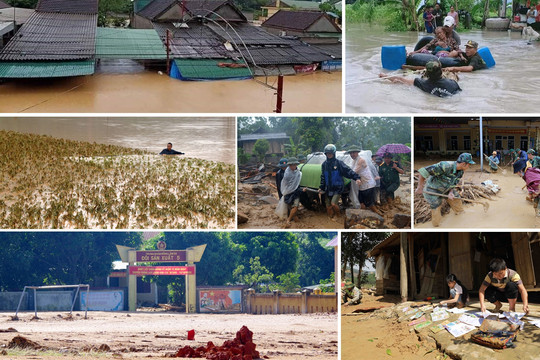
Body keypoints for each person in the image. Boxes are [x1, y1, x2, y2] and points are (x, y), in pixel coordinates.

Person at [415, 153, 475, 227]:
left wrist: (451, 192)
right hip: (433, 190)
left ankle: (460, 215)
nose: (469, 166)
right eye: (469, 164)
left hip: (446, 189)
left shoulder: (460, 172)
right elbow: (423, 172)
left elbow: (453, 183)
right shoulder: (445, 166)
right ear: (463, 164)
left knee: (456, 198)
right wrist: (419, 188)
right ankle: (436, 225)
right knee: (436, 206)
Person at [319, 144, 363, 219]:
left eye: (330, 153)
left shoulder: (339, 163)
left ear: (334, 153)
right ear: (325, 154)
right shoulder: (324, 165)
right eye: (327, 153)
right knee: (328, 206)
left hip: (337, 187)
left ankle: (338, 215)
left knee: (333, 204)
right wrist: (321, 187)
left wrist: (356, 178)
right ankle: (330, 217)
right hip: (328, 188)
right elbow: (323, 176)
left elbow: (348, 171)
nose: (329, 155)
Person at [379, 60, 461, 97]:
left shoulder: (422, 83)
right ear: (441, 71)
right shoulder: (453, 83)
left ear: (427, 73)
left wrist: (385, 76)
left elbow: (401, 80)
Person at [348, 146, 381, 215]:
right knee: (361, 202)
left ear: (357, 153)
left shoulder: (361, 160)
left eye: (354, 153)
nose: (352, 155)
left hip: (368, 184)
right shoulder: (354, 161)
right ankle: (364, 216)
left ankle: (379, 215)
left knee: (369, 203)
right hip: (361, 185)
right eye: (351, 153)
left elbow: (354, 171)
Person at [513, 159, 540, 225]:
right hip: (537, 193)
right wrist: (531, 193)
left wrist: (535, 193)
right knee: (536, 206)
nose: (518, 175)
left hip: (538, 191)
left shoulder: (529, 174)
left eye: (517, 173)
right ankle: (537, 219)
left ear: (521, 170)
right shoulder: (526, 174)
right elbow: (531, 184)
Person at [280, 157, 304, 225]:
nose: (292, 167)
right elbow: (284, 184)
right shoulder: (286, 173)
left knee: (295, 206)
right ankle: (296, 222)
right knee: (292, 210)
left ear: (296, 165)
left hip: (296, 192)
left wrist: (301, 190)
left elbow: (297, 183)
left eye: (294, 165)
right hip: (288, 193)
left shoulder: (298, 172)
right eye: (291, 165)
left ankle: (288, 220)